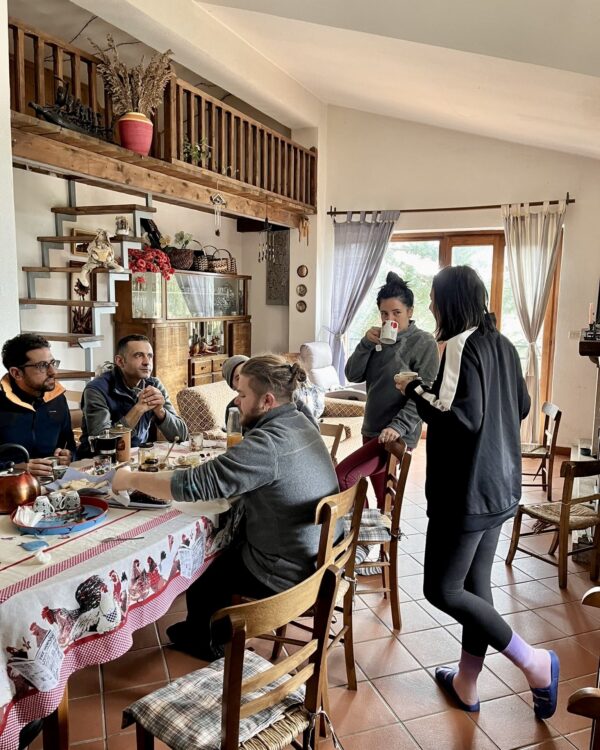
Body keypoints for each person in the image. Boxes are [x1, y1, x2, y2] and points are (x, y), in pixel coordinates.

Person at [395, 265, 559, 720]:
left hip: (465, 492)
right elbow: (522, 407)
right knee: (475, 586)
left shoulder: (460, 345)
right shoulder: (504, 344)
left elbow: (456, 417)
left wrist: (412, 388)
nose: (429, 307)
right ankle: (466, 683)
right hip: (500, 486)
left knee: (442, 590)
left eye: (433, 299)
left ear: (450, 302)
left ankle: (534, 661)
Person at [112, 355, 339, 660]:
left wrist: (128, 478)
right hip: (315, 552)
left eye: (243, 394)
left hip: (286, 572)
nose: (237, 400)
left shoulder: (267, 444)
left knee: (204, 561)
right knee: (221, 539)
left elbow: (192, 484)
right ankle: (203, 628)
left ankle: (205, 641)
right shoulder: (299, 418)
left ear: (267, 400)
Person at [342, 272, 439, 506]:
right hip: (371, 429)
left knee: (347, 478)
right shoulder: (375, 340)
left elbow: (424, 393)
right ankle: (377, 537)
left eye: (396, 313)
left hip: (396, 436)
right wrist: (365, 344)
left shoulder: (424, 343)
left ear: (410, 312)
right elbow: (352, 374)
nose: (389, 319)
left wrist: (398, 426)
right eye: (384, 314)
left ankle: (360, 535)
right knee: (382, 500)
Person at [79, 334, 188, 455]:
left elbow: (183, 437)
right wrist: (138, 409)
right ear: (120, 361)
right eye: (138, 355)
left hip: (137, 459)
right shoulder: (96, 390)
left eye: (150, 356)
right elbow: (102, 444)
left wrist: (161, 412)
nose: (147, 362)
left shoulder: (154, 385)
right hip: (98, 465)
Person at [0, 334, 75, 477]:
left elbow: (69, 445)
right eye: (42, 366)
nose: (53, 372)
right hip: (8, 490)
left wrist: (68, 456)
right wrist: (15, 468)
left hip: (53, 486)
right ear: (16, 373)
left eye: (52, 363)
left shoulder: (58, 399)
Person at [222, 353, 319, 429]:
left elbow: (313, 430)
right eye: (238, 378)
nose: (244, 377)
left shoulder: (290, 400)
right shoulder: (233, 409)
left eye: (247, 371)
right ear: (233, 387)